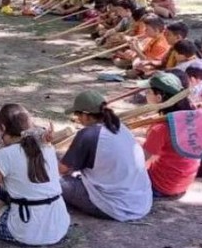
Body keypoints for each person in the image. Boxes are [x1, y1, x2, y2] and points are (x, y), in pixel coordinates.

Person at [0, 104, 69, 246]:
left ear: (3, 128)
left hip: (25, 230)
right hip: (59, 225)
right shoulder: (47, 147)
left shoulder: (5, 154)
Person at [59, 90, 152, 221]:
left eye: (78, 115)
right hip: (141, 200)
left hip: (115, 206)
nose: (77, 119)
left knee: (54, 182)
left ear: (86, 115)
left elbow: (62, 169)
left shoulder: (88, 135)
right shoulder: (119, 126)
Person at [140, 72, 200, 197]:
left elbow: (139, 160)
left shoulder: (160, 128)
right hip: (183, 182)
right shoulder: (191, 117)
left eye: (148, 92)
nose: (145, 95)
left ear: (159, 98)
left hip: (161, 185)